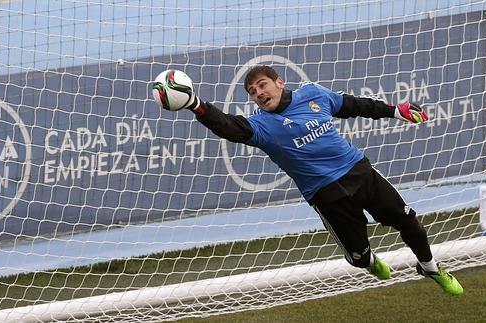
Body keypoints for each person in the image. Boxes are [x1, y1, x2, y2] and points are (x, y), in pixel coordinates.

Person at [185, 65, 463, 296]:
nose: (258, 93)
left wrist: (393, 110)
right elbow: (227, 126)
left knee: (408, 221)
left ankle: (429, 267)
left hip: (359, 172)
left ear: (279, 82)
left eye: (262, 84)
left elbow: (352, 105)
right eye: (252, 91)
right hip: (327, 196)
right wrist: (197, 106)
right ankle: (369, 260)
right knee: (359, 258)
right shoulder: (261, 126)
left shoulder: (313, 94)